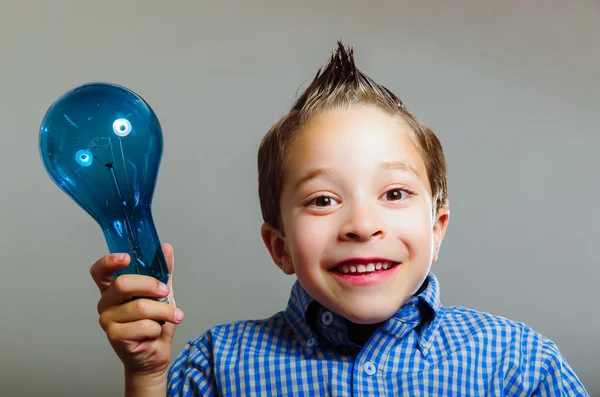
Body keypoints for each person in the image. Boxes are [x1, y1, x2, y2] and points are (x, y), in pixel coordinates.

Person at [90, 42, 589, 396]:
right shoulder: (217, 366)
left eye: (394, 192)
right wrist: (148, 377)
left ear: (436, 231)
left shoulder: (519, 364)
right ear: (279, 246)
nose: (362, 224)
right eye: (324, 200)